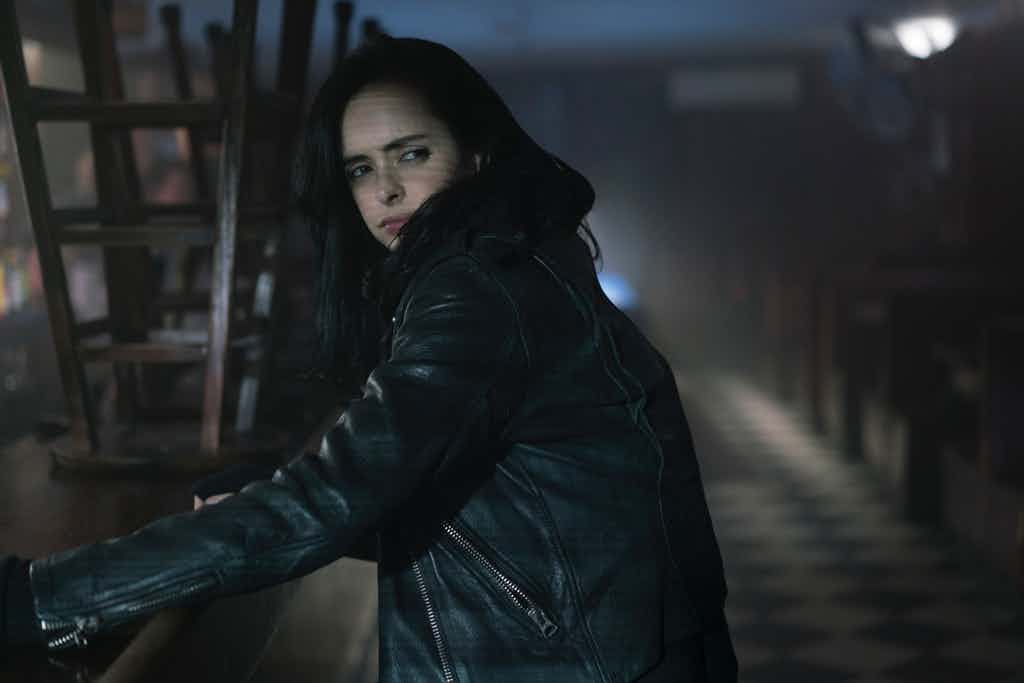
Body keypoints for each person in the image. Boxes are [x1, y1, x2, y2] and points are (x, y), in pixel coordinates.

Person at [1, 37, 736, 682]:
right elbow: (487, 513)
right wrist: (266, 490)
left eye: (412, 154)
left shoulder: (479, 291)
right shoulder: (520, 259)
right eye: (359, 169)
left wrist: (39, 596)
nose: (384, 189)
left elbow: (333, 498)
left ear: (476, 154)